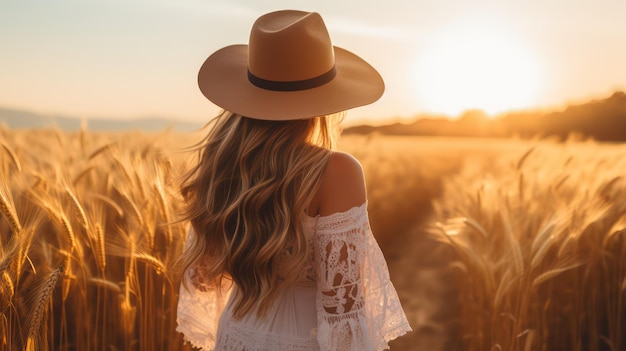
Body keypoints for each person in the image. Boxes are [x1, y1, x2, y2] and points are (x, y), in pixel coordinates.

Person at [176, 10, 411, 350]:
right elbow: (342, 307)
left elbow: (201, 277)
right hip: (303, 340)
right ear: (327, 97)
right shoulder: (336, 170)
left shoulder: (220, 163)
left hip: (235, 334)